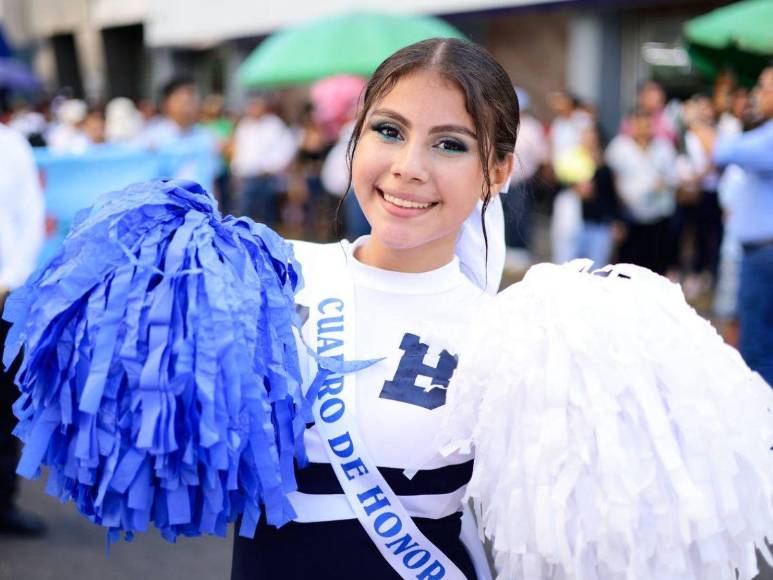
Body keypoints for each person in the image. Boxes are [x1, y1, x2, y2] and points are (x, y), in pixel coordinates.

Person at [231, 38, 516, 580]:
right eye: (389, 131)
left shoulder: (506, 333)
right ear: (355, 138)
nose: (408, 167)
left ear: (497, 171)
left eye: (450, 144)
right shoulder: (269, 275)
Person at [703, 66, 773, 386]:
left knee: (757, 349)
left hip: (764, 256)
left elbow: (722, 150)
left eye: (763, 87)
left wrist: (695, 123)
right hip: (758, 253)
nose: (757, 94)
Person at [0, 120, 46, 536]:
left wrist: (11, 279)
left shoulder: (10, 143)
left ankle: (3, 503)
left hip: (2, 298)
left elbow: (30, 214)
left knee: (2, 407)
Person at [606, 107, 678, 274]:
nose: (643, 129)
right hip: (629, 215)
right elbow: (611, 180)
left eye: (647, 125)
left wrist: (663, 184)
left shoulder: (663, 147)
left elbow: (673, 176)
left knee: (655, 267)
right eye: (639, 124)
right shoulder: (619, 147)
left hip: (658, 216)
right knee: (628, 267)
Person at [231, 94, 297, 227]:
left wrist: (273, 166)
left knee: (267, 215)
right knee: (245, 214)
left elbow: (287, 147)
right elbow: (239, 150)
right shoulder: (245, 125)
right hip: (247, 177)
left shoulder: (273, 124)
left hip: (267, 177)